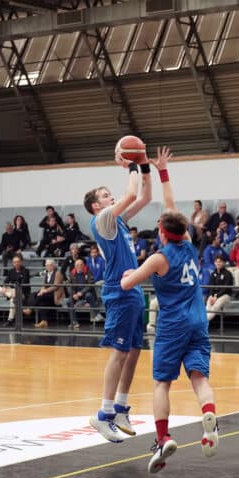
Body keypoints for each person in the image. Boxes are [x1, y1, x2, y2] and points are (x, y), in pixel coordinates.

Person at [120, 147, 217, 474]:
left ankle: (162, 439)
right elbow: (172, 207)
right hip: (198, 320)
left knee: (161, 383)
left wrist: (125, 275)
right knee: (199, 376)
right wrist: (162, 172)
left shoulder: (158, 258)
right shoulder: (189, 244)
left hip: (173, 324)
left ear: (162, 231)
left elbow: (127, 285)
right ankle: (209, 415)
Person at [85, 149, 153, 442]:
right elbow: (130, 193)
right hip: (119, 291)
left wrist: (146, 166)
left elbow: (145, 197)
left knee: (135, 350)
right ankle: (103, 413)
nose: (110, 197)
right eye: (104, 195)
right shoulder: (101, 220)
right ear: (94, 206)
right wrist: (132, 165)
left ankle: (122, 407)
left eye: (109, 194)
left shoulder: (119, 221)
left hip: (133, 289)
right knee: (120, 351)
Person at [62, 258, 97, 330]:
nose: (79, 266)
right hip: (76, 295)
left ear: (83, 265)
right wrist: (73, 294)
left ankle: (95, 315)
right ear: (75, 266)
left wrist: (81, 292)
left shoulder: (88, 272)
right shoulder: (72, 273)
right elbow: (69, 286)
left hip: (86, 293)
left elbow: (90, 284)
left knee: (88, 295)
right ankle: (74, 322)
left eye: (81, 264)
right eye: (77, 265)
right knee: (69, 301)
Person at [0, 254, 31, 326]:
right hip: (13, 292)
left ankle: (10, 320)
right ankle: (11, 296)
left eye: (18, 261)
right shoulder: (11, 271)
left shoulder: (25, 271)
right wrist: (4, 286)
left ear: (21, 262)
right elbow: (6, 281)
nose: (16, 263)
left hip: (22, 292)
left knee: (13, 299)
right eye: (15, 262)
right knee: (0, 288)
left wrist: (13, 286)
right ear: (13, 263)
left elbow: (23, 284)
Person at [33, 259, 65, 328]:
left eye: (49, 265)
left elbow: (55, 286)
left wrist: (45, 291)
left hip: (55, 296)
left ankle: (30, 308)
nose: (47, 267)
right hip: (47, 295)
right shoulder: (47, 274)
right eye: (46, 265)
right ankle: (44, 321)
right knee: (36, 296)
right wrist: (42, 290)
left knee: (41, 296)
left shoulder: (58, 273)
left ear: (53, 265)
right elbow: (44, 285)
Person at [205, 255, 233, 322]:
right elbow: (211, 286)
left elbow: (226, 288)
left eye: (220, 262)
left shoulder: (228, 274)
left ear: (223, 263)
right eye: (216, 262)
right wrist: (212, 296)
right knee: (208, 307)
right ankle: (203, 323)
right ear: (214, 263)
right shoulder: (213, 273)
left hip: (225, 295)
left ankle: (203, 323)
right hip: (214, 295)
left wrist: (216, 296)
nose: (218, 263)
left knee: (215, 306)